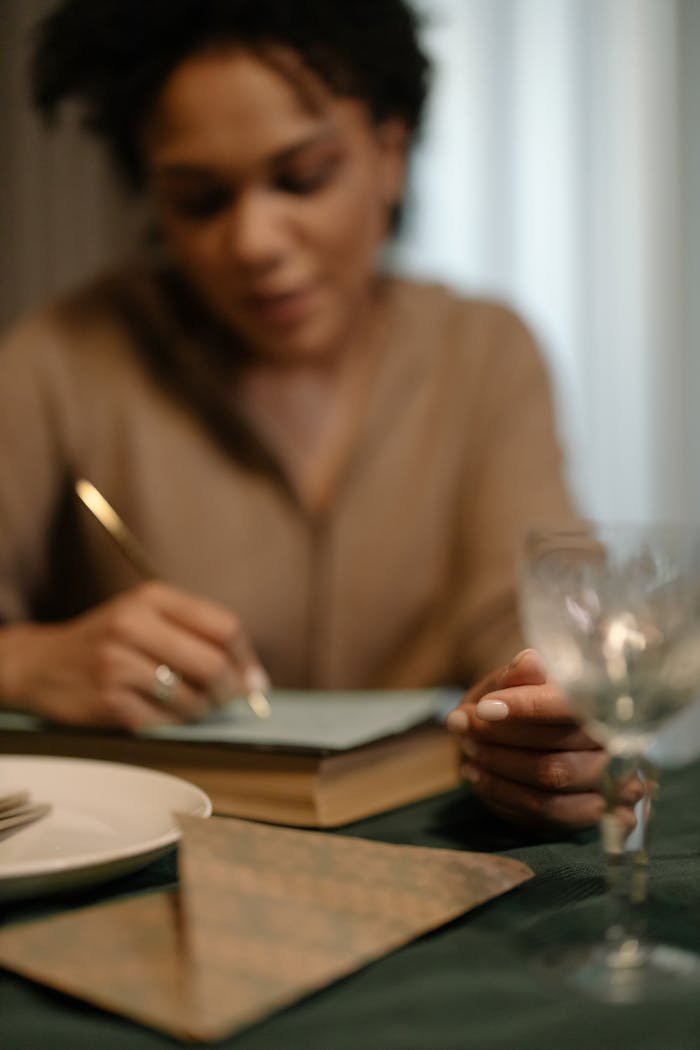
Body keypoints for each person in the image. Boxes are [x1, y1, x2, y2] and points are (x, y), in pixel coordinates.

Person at [0, 0, 637, 831]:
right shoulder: (64, 358)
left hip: (433, 864)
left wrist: (550, 717)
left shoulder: (485, 354)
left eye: (302, 178)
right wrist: (28, 662)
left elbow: (539, 627)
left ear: (392, 151)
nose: (256, 241)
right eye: (199, 201)